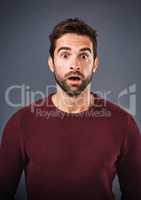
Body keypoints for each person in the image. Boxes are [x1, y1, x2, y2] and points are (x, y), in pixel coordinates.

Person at [0, 18, 141, 200]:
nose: (74, 65)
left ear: (95, 64)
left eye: (83, 56)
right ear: (51, 63)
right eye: (65, 55)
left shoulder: (124, 124)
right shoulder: (20, 123)